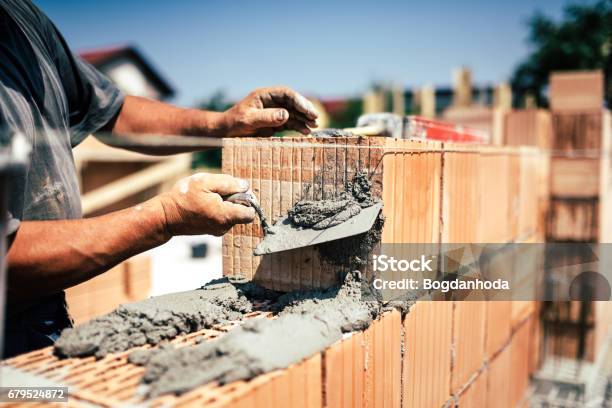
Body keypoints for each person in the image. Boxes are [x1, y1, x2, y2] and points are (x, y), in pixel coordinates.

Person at [0, 0, 318, 357]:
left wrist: (223, 125)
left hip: (41, 314)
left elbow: (113, 111)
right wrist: (165, 218)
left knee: (51, 397)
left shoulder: (19, 18)